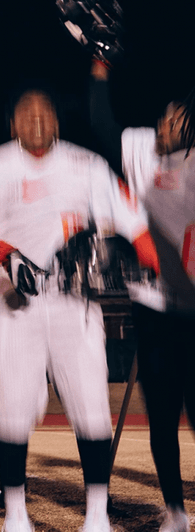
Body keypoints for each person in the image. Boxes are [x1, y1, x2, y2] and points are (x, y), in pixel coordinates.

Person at [0, 86, 159, 532]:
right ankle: (15, 514)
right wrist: (3, 253)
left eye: (45, 110)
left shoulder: (87, 164)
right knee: (12, 410)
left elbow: (135, 224)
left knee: (91, 405)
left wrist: (159, 268)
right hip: (14, 303)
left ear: (58, 121)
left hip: (74, 300)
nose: (37, 118)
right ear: (13, 123)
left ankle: (97, 514)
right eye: (27, 111)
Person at [91, 59, 195, 532]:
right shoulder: (141, 149)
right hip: (154, 306)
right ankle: (175, 511)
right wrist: (99, 66)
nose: (162, 125)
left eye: (174, 119)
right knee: (162, 414)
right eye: (163, 118)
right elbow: (101, 122)